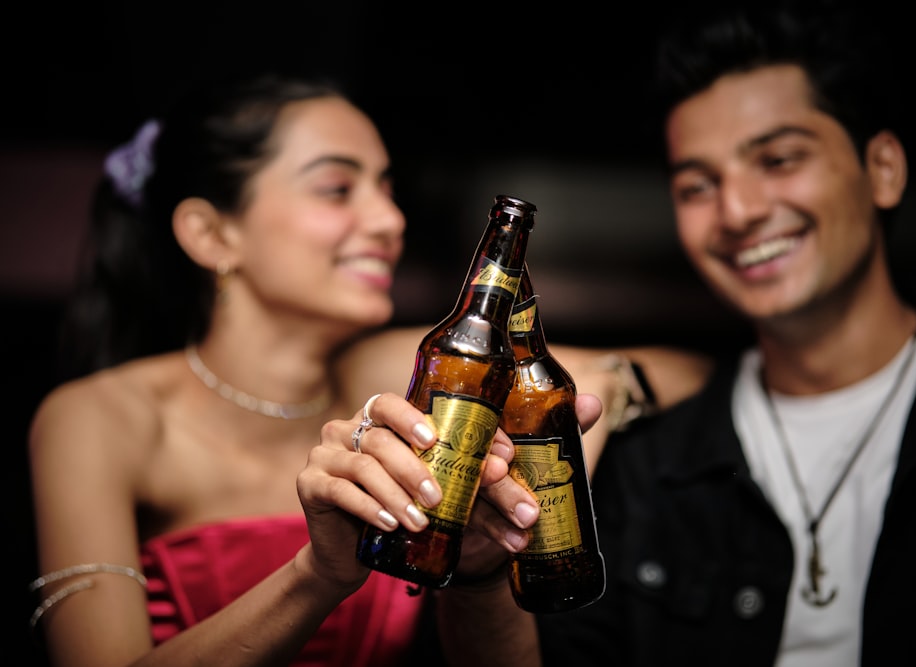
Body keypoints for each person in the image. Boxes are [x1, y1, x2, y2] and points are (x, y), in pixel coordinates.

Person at [27, 72, 711, 667]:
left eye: (386, 187)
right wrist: (317, 574)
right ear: (211, 234)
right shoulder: (100, 417)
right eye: (337, 188)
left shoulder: (388, 372)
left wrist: (582, 415)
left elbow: (690, 370)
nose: (389, 218)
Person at [535, 1, 916, 665]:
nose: (738, 210)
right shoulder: (646, 470)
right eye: (697, 186)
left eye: (778, 159)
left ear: (884, 169)